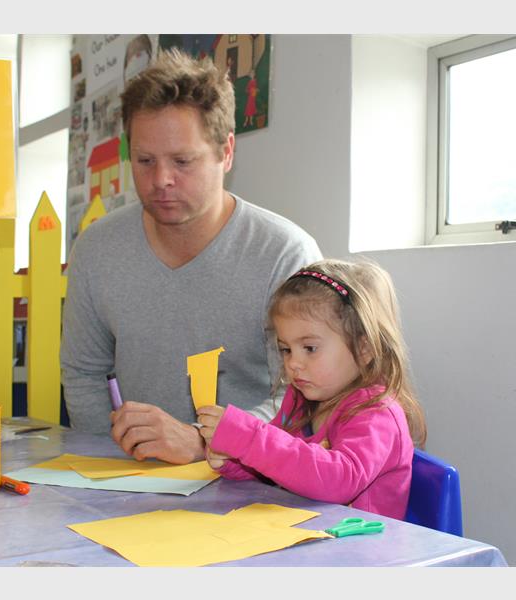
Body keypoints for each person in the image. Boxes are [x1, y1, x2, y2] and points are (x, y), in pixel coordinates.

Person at [60, 48, 322, 465]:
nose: (161, 179)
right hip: (134, 477)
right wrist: (108, 463)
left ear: (226, 152)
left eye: (183, 161)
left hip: (253, 482)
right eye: (145, 160)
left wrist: (206, 444)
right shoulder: (96, 250)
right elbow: (83, 374)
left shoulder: (284, 254)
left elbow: (302, 394)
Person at [196, 259, 427, 519]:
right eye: (286, 349)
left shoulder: (377, 413)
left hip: (361, 544)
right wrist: (233, 460)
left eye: (310, 348)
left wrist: (249, 439)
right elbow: (276, 466)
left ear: (364, 349)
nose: (293, 363)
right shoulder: (299, 400)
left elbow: (337, 480)